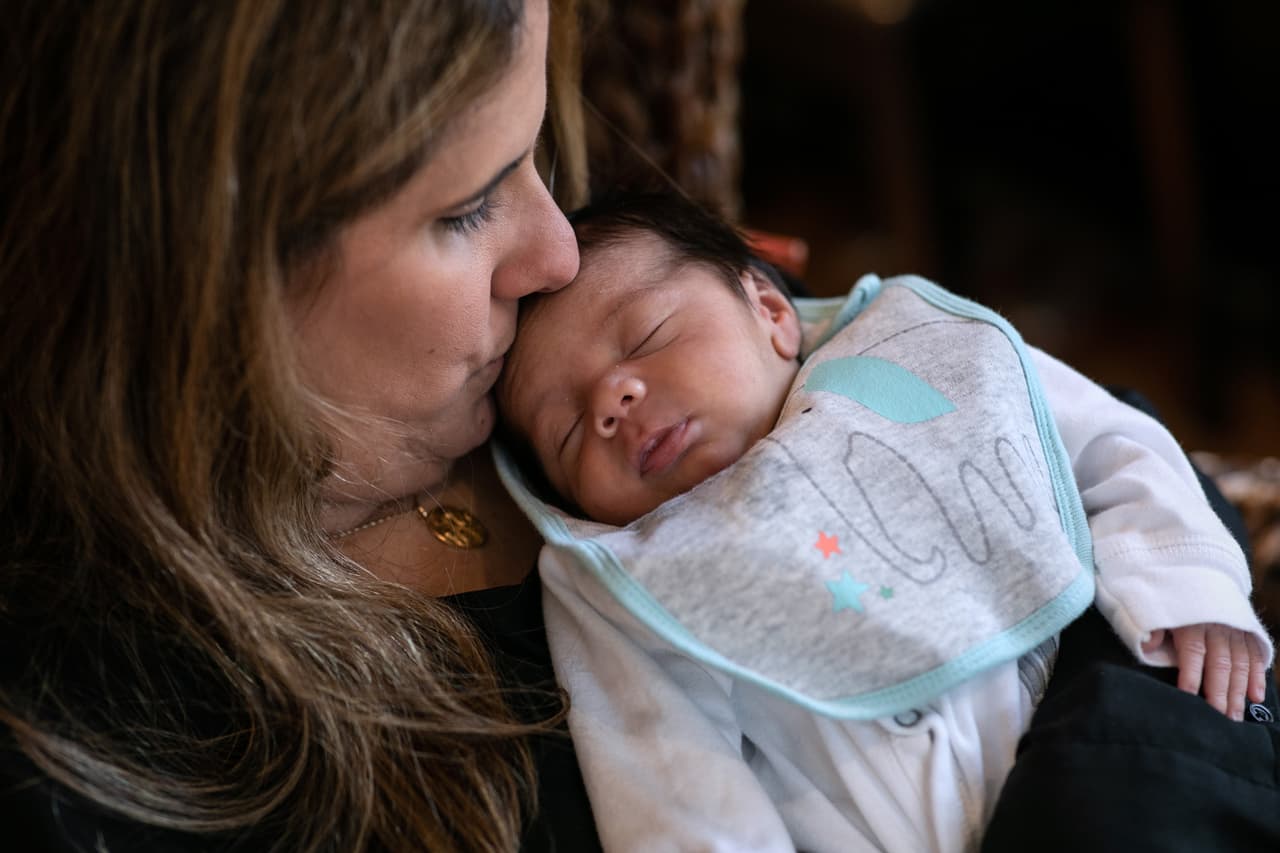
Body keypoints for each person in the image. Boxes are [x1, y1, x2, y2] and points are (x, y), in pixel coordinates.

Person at [495, 191, 1278, 851]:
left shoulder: (913, 356)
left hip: (1116, 760)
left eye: (646, 336)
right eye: (567, 430)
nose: (613, 399)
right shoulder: (618, 581)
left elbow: (1114, 446)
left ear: (770, 311)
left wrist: (1188, 587)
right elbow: (666, 778)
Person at [1, 1, 603, 850]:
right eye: (467, 208)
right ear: (202, 277)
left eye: (533, 149)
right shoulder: (91, 764)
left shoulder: (595, 329)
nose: (562, 254)